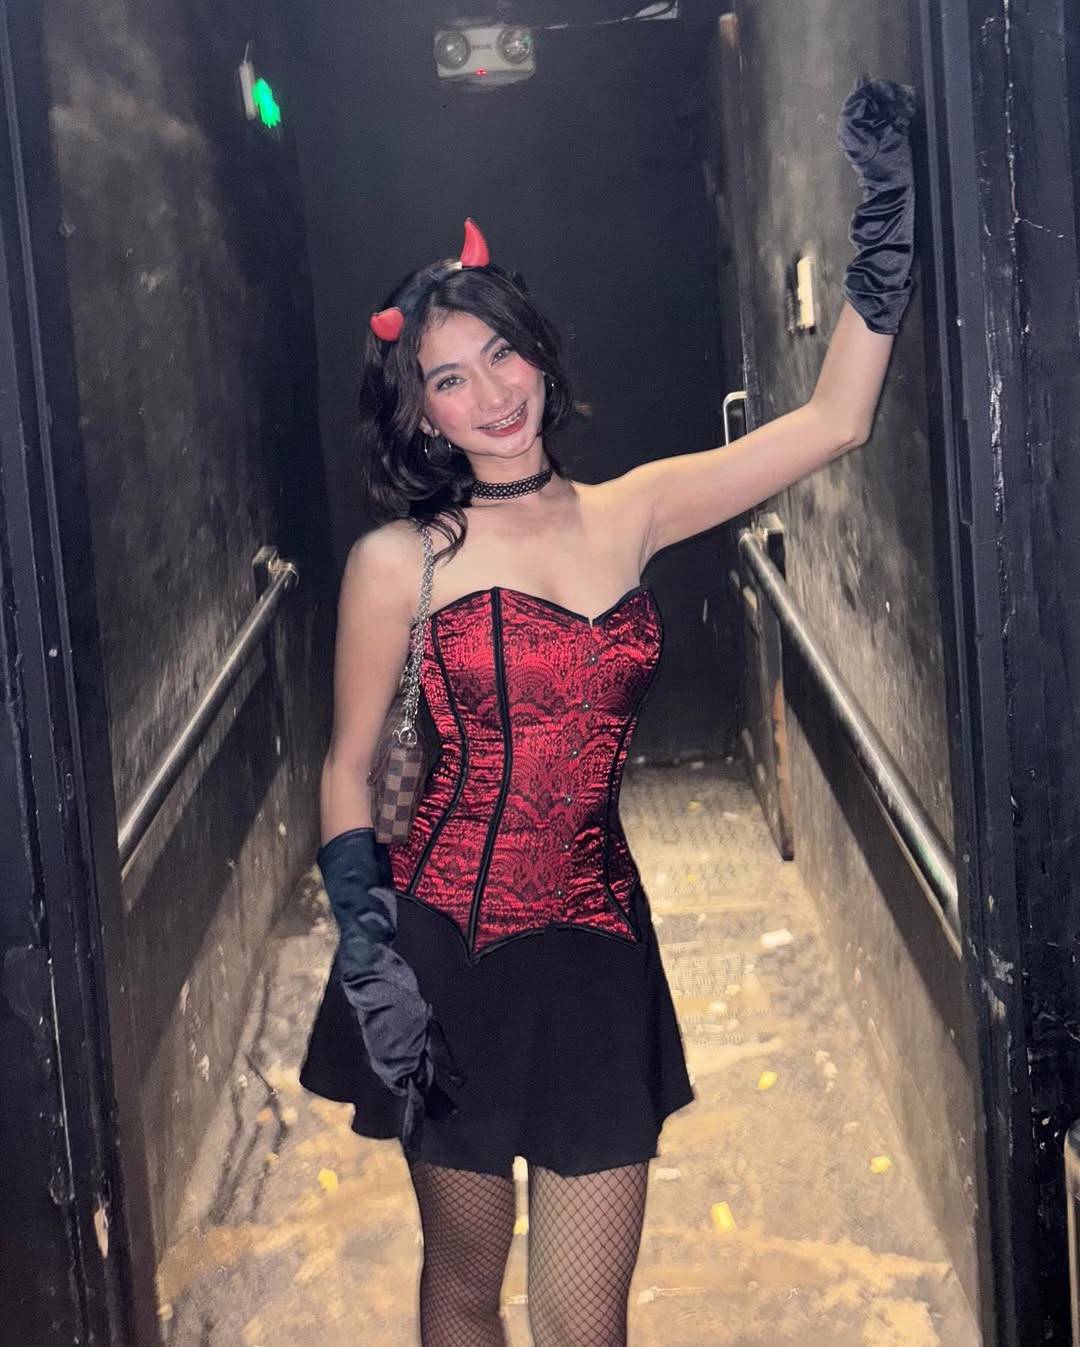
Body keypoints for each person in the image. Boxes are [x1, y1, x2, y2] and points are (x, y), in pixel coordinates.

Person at [300, 76, 916, 1347]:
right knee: (464, 1287)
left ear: (537, 349)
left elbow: (835, 421)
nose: (492, 395)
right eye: (451, 380)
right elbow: (350, 766)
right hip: (442, 959)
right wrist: (369, 958)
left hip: (596, 953)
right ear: (421, 411)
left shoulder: (629, 512)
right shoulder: (398, 563)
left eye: (502, 355)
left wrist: (889, 233)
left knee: (588, 1322)